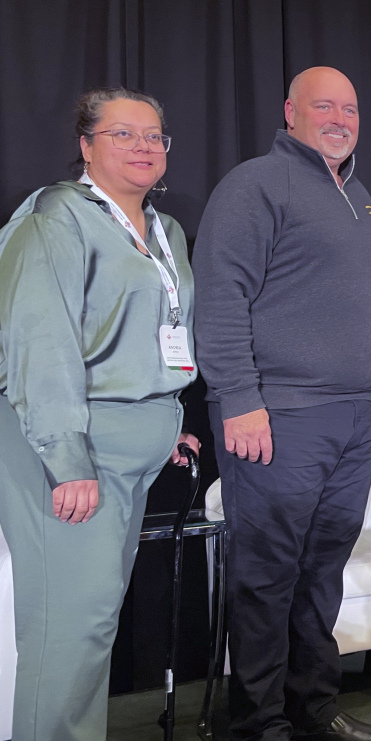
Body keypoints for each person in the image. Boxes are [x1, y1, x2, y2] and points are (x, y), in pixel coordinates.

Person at [192, 67, 371, 741]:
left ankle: (313, 708)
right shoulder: (254, 185)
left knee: (321, 573)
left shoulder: (361, 196)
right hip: (278, 415)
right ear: (290, 111)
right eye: (324, 105)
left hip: (353, 416)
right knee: (268, 575)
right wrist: (238, 398)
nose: (340, 117)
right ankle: (259, 723)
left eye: (350, 106)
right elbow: (220, 298)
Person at [0, 87, 199, 740]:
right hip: (73, 454)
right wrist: (67, 461)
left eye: (154, 136)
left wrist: (167, 423)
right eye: (124, 134)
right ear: (85, 146)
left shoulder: (163, 232)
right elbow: (39, 343)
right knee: (67, 630)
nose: (144, 146)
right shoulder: (56, 220)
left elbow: (152, 335)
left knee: (93, 627)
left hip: (133, 453)